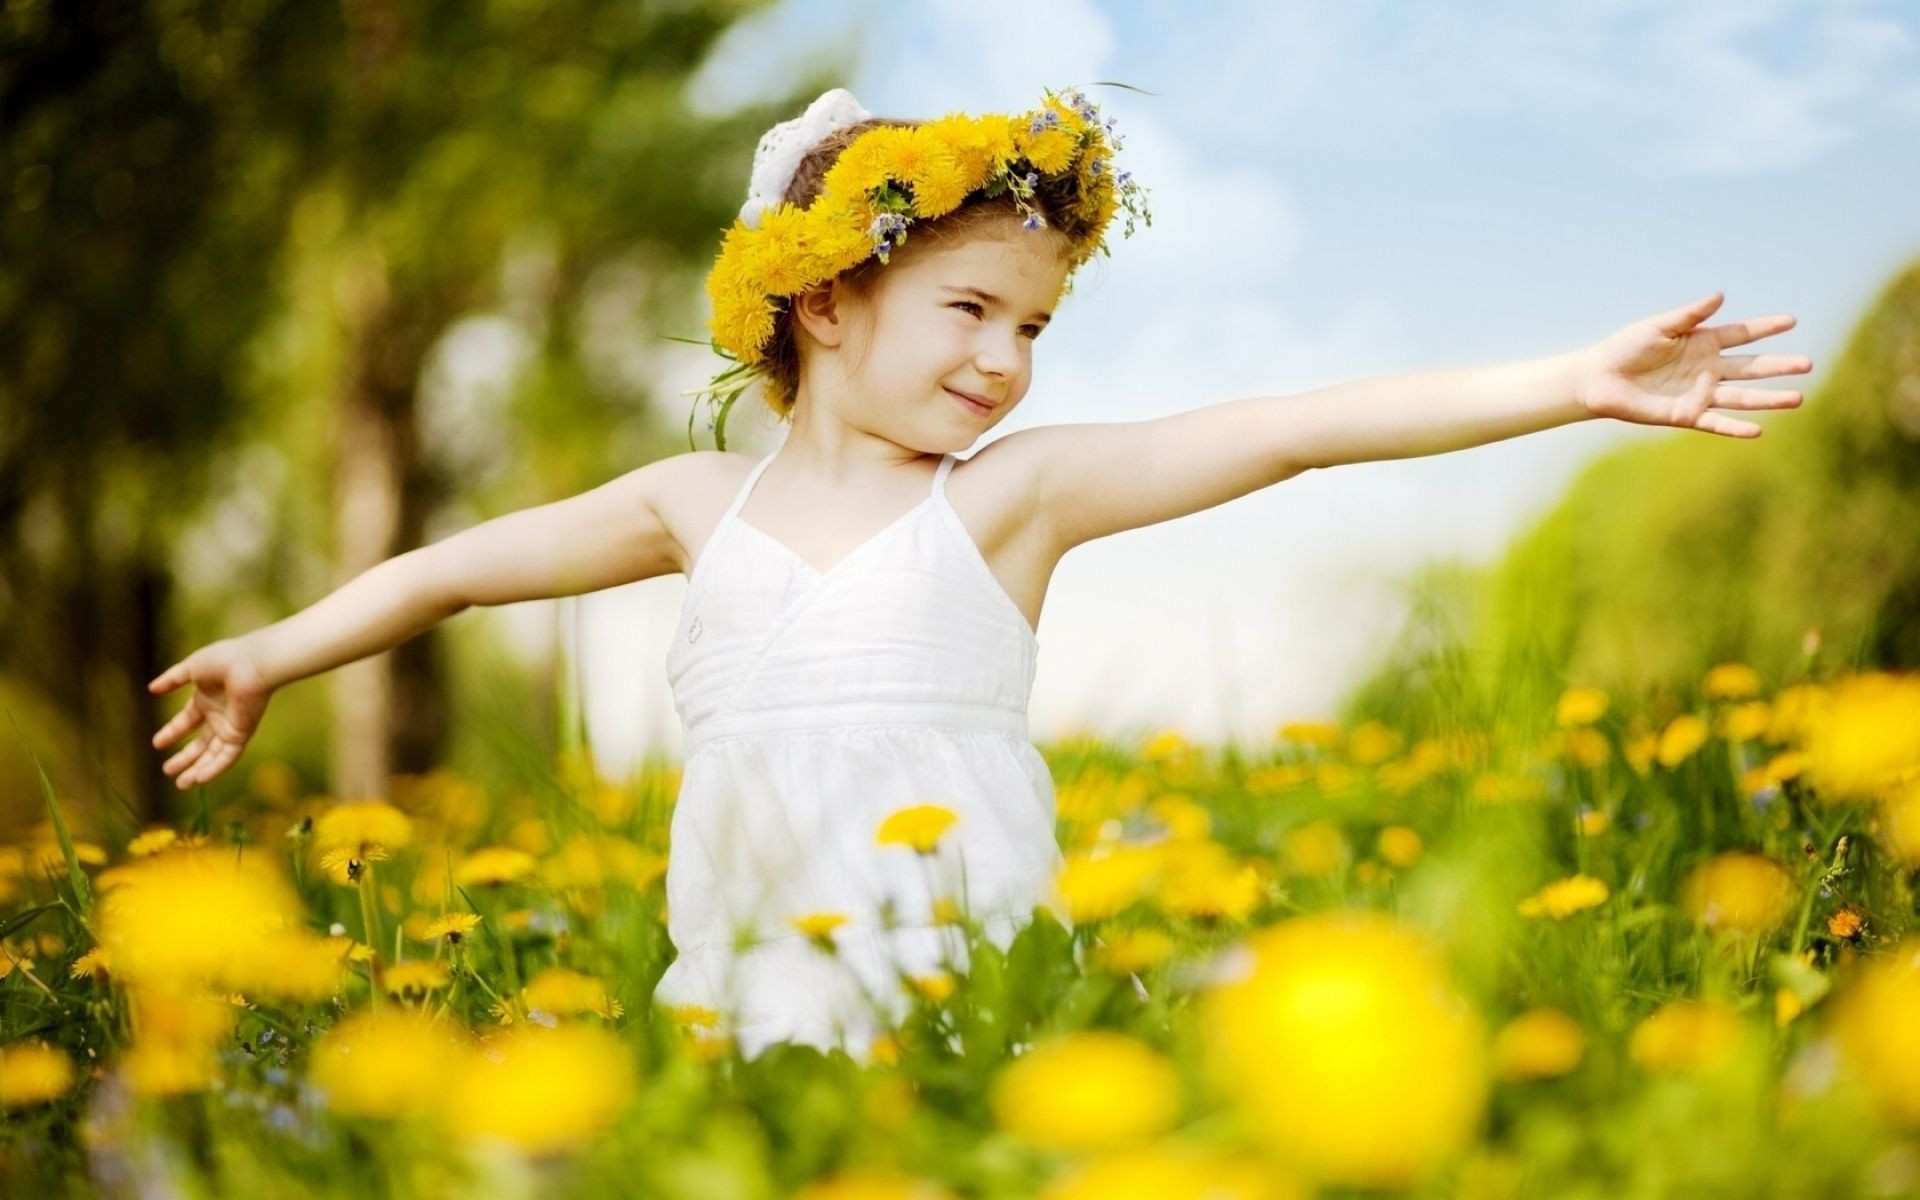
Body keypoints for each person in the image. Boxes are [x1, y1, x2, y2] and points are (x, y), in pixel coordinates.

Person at [148, 85, 1813, 1062]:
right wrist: (276, 653)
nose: (1009, 361)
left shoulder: (1012, 502)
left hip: (969, 993)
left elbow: (1298, 425)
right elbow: (451, 568)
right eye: (973, 313)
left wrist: (1570, 381)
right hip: (737, 1002)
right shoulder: (687, 508)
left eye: (1033, 325)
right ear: (823, 304)